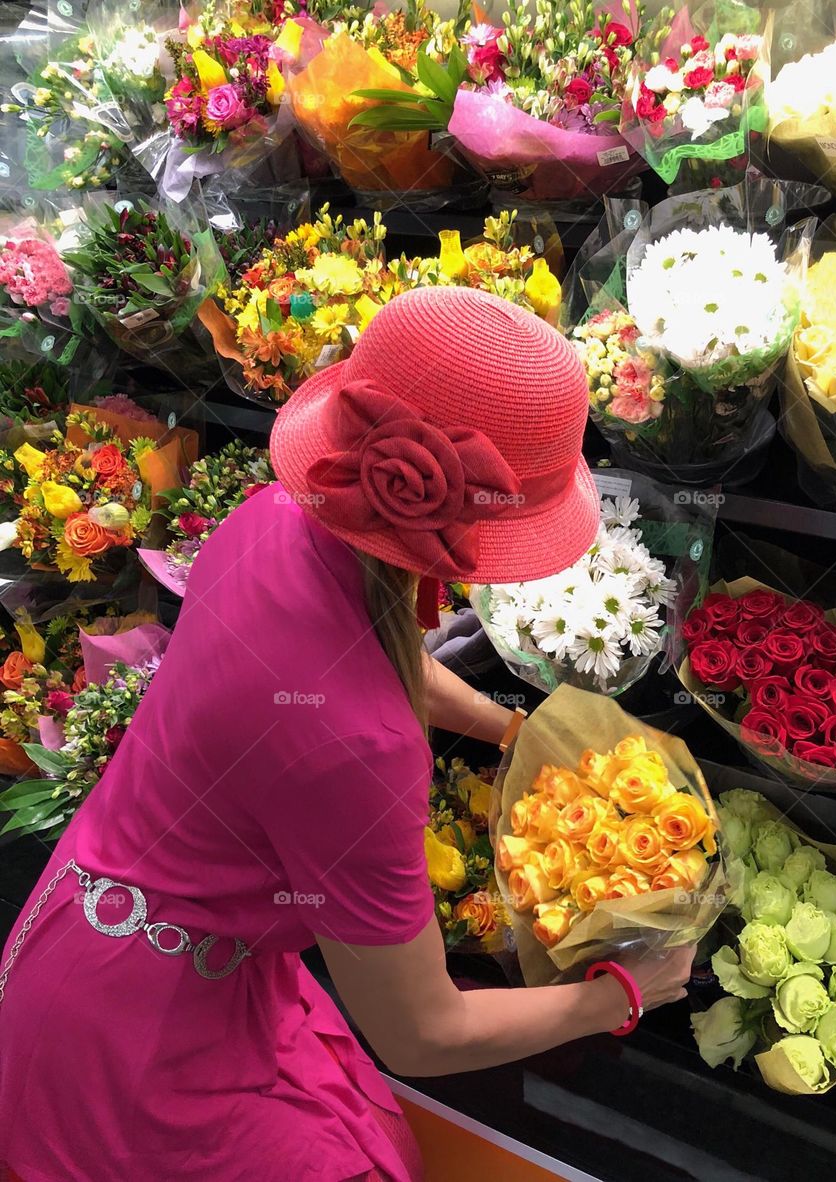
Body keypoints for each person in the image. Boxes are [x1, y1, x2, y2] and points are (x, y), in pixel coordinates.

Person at [0, 287, 694, 1182]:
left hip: (97, 926)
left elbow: (369, 653)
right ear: (464, 518)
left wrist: (509, 727)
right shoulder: (360, 746)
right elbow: (422, 1032)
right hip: (138, 1049)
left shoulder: (274, 518)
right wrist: (617, 998)